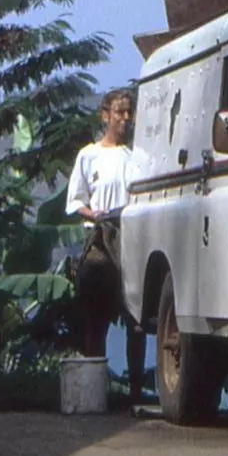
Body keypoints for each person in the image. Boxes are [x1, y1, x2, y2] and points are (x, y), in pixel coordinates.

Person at [66, 88, 145, 405]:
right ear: (105, 115)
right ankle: (94, 392)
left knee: (135, 319)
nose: (125, 119)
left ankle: (136, 392)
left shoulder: (134, 158)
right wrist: (93, 214)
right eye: (119, 112)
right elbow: (75, 200)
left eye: (129, 113)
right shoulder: (89, 155)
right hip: (99, 238)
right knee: (95, 317)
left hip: (128, 236)